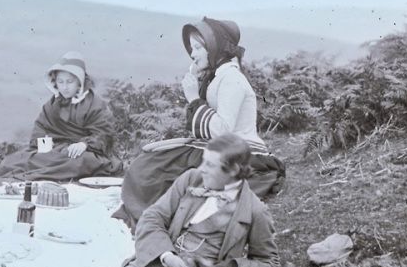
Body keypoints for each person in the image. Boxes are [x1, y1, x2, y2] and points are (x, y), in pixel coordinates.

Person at [14, 133, 281, 267]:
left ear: (233, 171)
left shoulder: (255, 211)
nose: (202, 169)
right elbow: (154, 217)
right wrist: (165, 255)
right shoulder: (191, 180)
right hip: (162, 257)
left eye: (210, 165)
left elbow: (268, 262)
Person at [115, 17, 286, 227]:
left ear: (215, 48)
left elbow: (223, 131)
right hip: (215, 146)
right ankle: (151, 213)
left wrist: (194, 98)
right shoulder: (217, 77)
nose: (192, 54)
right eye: (192, 48)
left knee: (152, 171)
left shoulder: (232, 78)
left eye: (198, 47)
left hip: (243, 152)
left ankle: (152, 218)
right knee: (148, 165)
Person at [0, 54, 120, 182]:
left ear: (79, 82)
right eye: (61, 82)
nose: (65, 87)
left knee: (81, 162)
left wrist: (84, 144)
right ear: (55, 83)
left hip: (83, 152)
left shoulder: (95, 104)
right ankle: (35, 173)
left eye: (70, 82)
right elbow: (40, 126)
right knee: (13, 160)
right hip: (56, 150)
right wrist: (43, 143)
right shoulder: (53, 104)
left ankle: (33, 176)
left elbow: (104, 133)